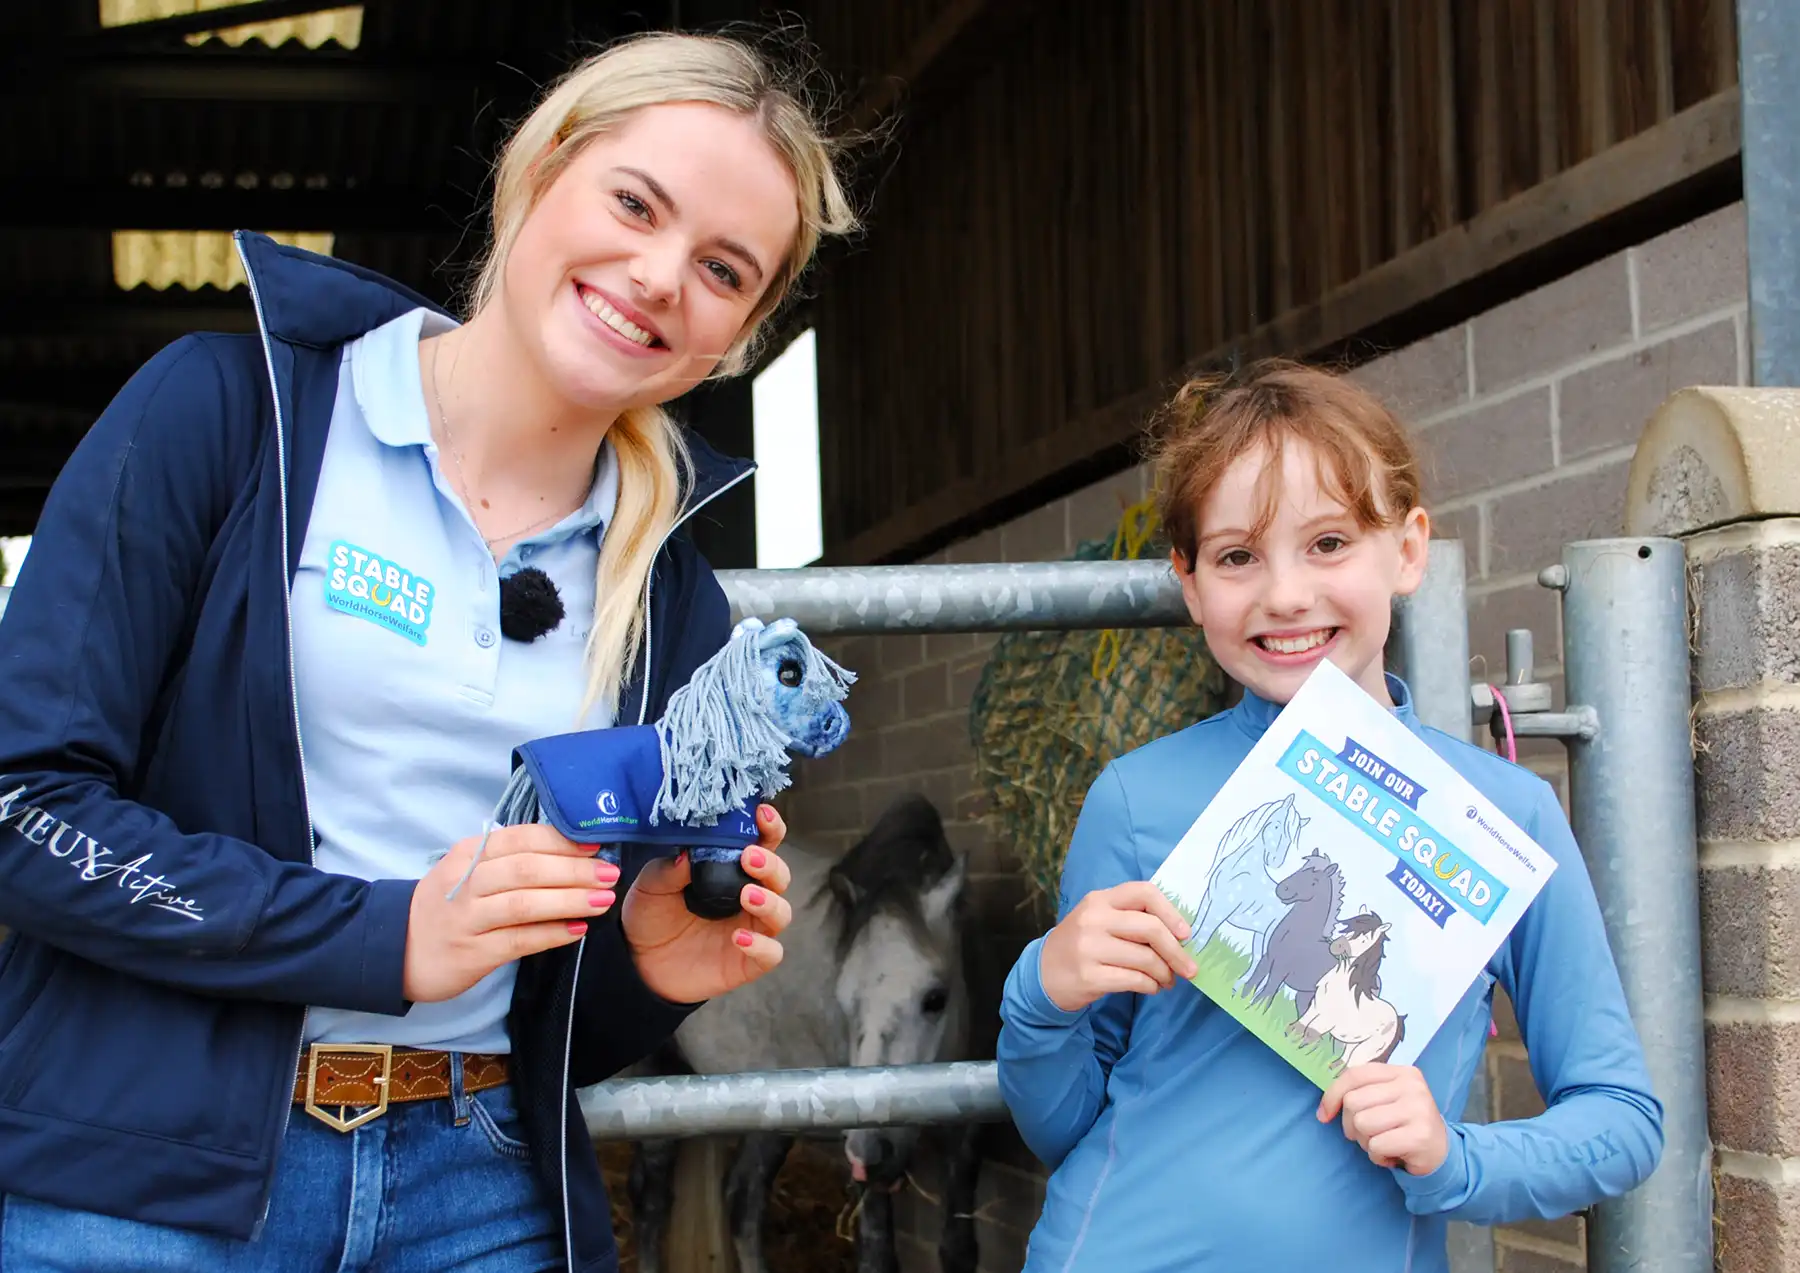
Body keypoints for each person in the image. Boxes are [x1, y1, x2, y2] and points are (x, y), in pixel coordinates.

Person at [0, 30, 858, 1273]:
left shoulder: (673, 607)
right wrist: (379, 933)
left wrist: (654, 973)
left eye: (724, 268)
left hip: (472, 1183)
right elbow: (25, 806)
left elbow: (546, 997)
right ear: (538, 170)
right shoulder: (229, 419)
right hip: (141, 1180)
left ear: (736, 332)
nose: (662, 273)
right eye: (634, 202)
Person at [995, 359, 1663, 1271]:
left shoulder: (1506, 818)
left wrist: (1455, 1156)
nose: (1285, 595)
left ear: (1409, 549)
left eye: (1329, 543)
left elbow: (1622, 1121)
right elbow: (1066, 1123)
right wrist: (1042, 992)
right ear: (1190, 584)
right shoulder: (1133, 798)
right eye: (1237, 556)